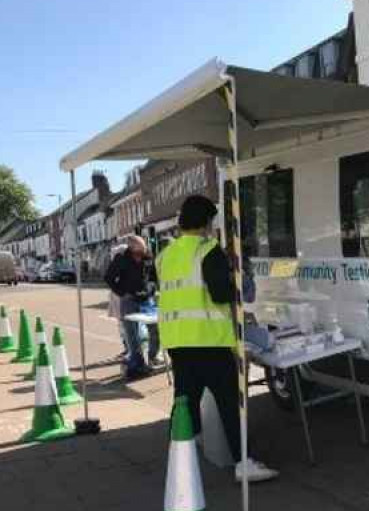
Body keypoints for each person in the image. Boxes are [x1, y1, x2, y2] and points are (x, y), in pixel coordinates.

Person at [156, 195, 277, 483]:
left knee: (184, 402)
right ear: (207, 222)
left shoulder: (166, 255)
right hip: (210, 341)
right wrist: (239, 279)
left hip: (177, 341)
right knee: (230, 405)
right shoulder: (207, 250)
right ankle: (243, 462)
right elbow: (222, 294)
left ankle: (179, 456)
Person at [104, 235, 160, 380]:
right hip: (129, 300)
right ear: (131, 249)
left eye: (143, 251)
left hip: (147, 299)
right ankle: (139, 363)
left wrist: (152, 289)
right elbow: (109, 278)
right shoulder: (121, 258)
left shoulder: (148, 256)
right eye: (138, 252)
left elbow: (154, 276)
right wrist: (123, 292)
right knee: (132, 335)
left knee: (155, 329)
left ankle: (153, 356)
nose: (141, 255)